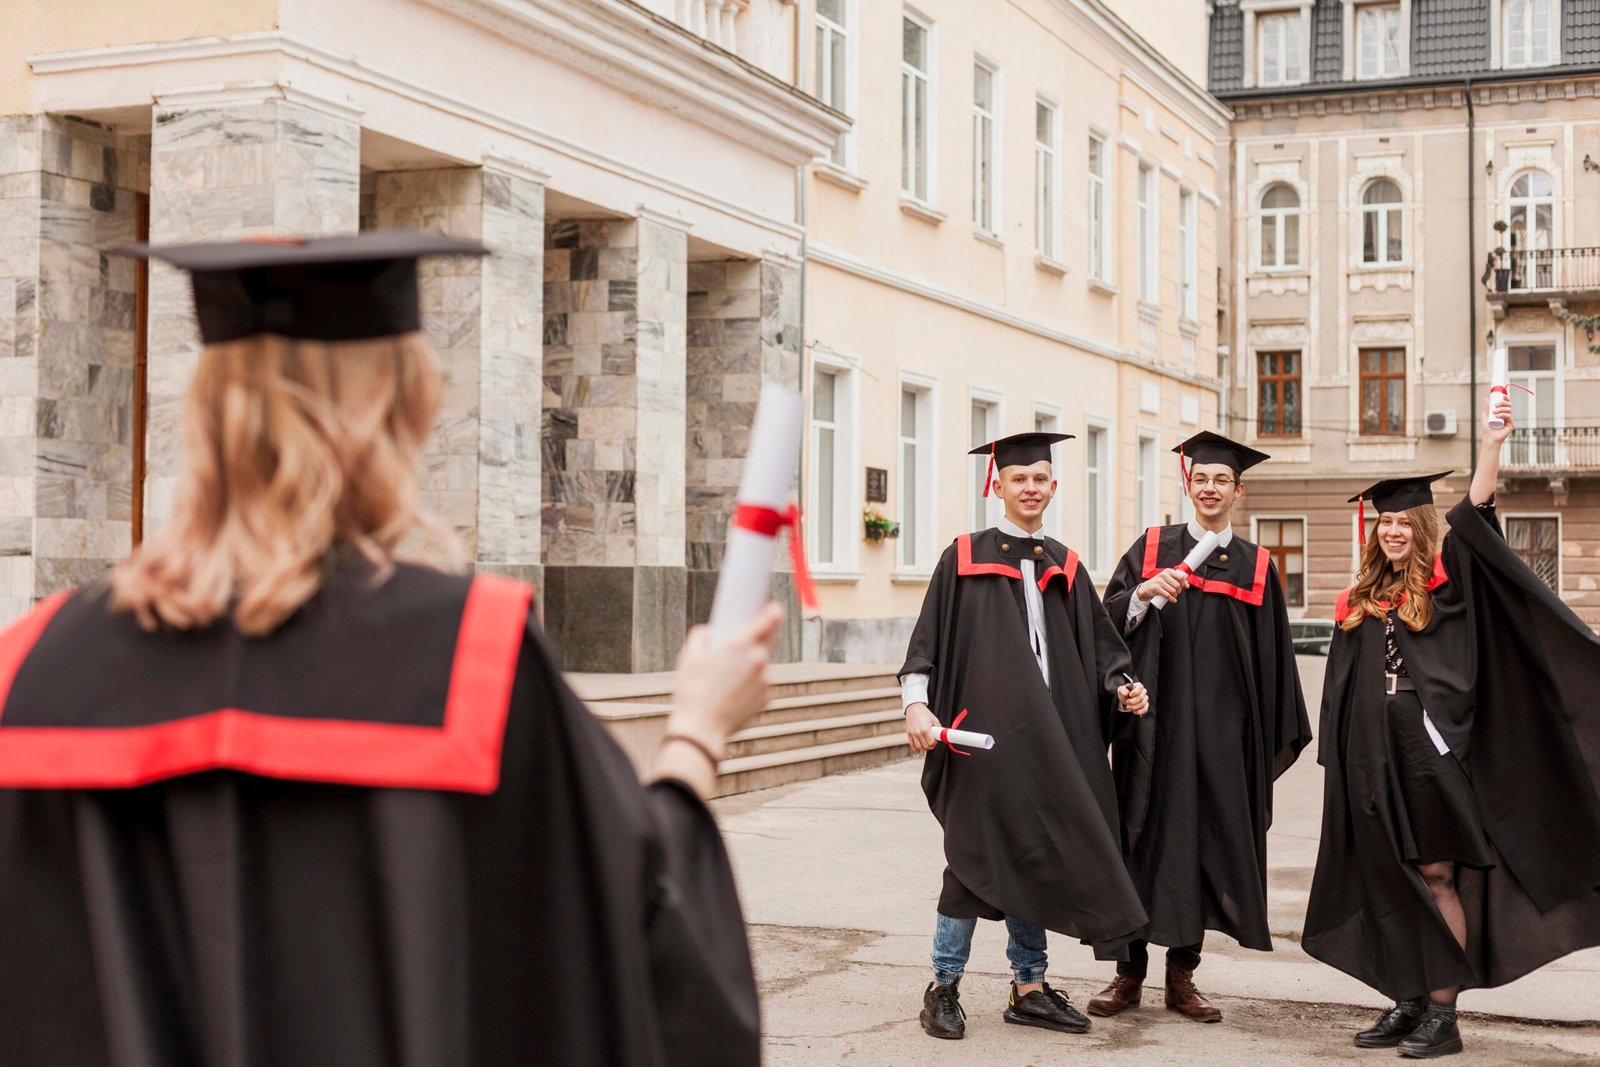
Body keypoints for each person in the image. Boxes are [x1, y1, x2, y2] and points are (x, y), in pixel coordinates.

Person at [0, 230, 779, 1067]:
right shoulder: (469, 662)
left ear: (204, 410)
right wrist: (697, 730)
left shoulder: (34, 673)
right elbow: (645, 945)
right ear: (401, 412)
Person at [1303, 393, 1600, 1058]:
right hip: (1366, 753)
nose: (1394, 530)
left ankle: (1443, 1012)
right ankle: (1407, 1000)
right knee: (1388, 873)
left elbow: (1477, 516)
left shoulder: (1448, 581)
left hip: (1428, 750)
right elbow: (1339, 686)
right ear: (1373, 530)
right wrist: (1339, 762)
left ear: (1421, 526)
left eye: (1405, 521)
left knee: (1436, 872)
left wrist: (1491, 447)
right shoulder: (1358, 599)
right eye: (1385, 522)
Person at [900, 431, 1150, 1042]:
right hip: (983, 739)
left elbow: (1099, 647)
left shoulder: (1066, 563)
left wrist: (1124, 685)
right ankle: (943, 986)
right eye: (1019, 479)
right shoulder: (963, 556)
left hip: (1053, 739)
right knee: (970, 860)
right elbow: (925, 645)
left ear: (1053, 487)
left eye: (1041, 478)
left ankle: (1030, 988)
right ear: (998, 486)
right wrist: (915, 707)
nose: (1031, 488)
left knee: (1036, 856)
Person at [1094, 432, 1311, 1024]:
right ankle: (1127, 975)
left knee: (1206, 851)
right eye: (1201, 479)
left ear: (1238, 491)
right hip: (1152, 733)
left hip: (1222, 740)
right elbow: (1103, 627)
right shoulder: (1151, 548)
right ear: (1188, 486)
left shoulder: (1257, 566)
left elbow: (1274, 660)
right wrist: (1140, 595)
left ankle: (1182, 977)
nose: (1211, 488)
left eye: (1222, 480)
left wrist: (1262, 738)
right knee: (1139, 840)